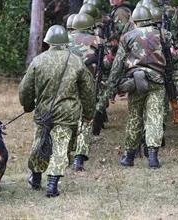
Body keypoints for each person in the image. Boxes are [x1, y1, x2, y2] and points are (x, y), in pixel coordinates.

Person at [19, 25, 95, 197]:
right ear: (66, 42)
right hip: (67, 113)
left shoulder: (38, 61)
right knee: (61, 146)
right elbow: (88, 91)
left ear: (48, 42)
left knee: (40, 143)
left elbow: (25, 89)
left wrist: (27, 105)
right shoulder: (76, 61)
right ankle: (52, 183)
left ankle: (36, 177)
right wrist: (89, 113)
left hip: (44, 112)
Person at [94, 6, 167, 169]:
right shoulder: (162, 34)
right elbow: (171, 56)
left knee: (135, 117)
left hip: (136, 81)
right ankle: (153, 157)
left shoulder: (127, 36)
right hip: (157, 80)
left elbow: (118, 64)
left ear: (135, 21)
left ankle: (129, 156)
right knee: (155, 116)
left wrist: (111, 89)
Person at [68, 13, 104, 171]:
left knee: (67, 119)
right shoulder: (97, 40)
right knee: (86, 119)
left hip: (67, 84)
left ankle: (64, 152)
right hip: (88, 85)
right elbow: (106, 63)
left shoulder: (65, 39)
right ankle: (79, 158)